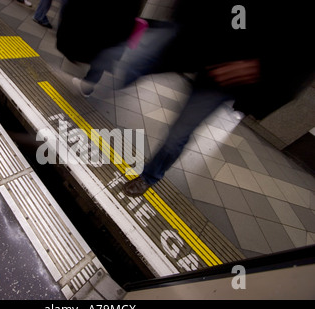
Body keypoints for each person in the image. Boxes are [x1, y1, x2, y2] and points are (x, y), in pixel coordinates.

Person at [121, 0, 315, 197]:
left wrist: (258, 68)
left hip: (225, 81)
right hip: (204, 50)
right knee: (136, 64)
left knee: (178, 133)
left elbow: (299, 60)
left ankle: (150, 176)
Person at [56, 0, 144, 97]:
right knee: (102, 58)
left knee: (96, 52)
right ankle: (87, 87)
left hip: (99, 25)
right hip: (116, 31)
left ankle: (83, 81)